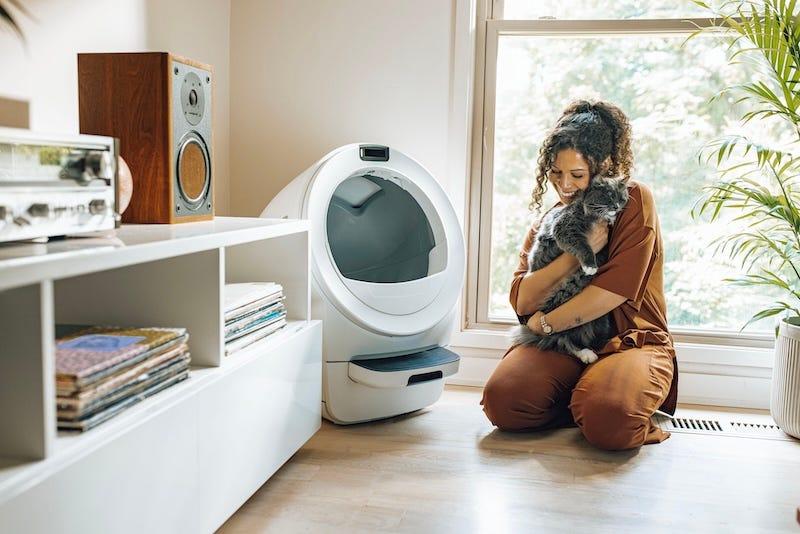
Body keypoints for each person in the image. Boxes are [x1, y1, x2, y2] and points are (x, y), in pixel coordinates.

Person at [480, 99, 678, 451]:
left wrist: (546, 324)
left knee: (610, 419)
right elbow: (523, 299)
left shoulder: (634, 200)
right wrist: (573, 257)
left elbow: (611, 292)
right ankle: (583, 396)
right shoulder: (551, 220)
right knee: (504, 402)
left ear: (603, 167)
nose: (564, 186)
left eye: (576, 175)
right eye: (556, 173)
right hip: (565, 342)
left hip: (630, 339)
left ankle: (601, 402)